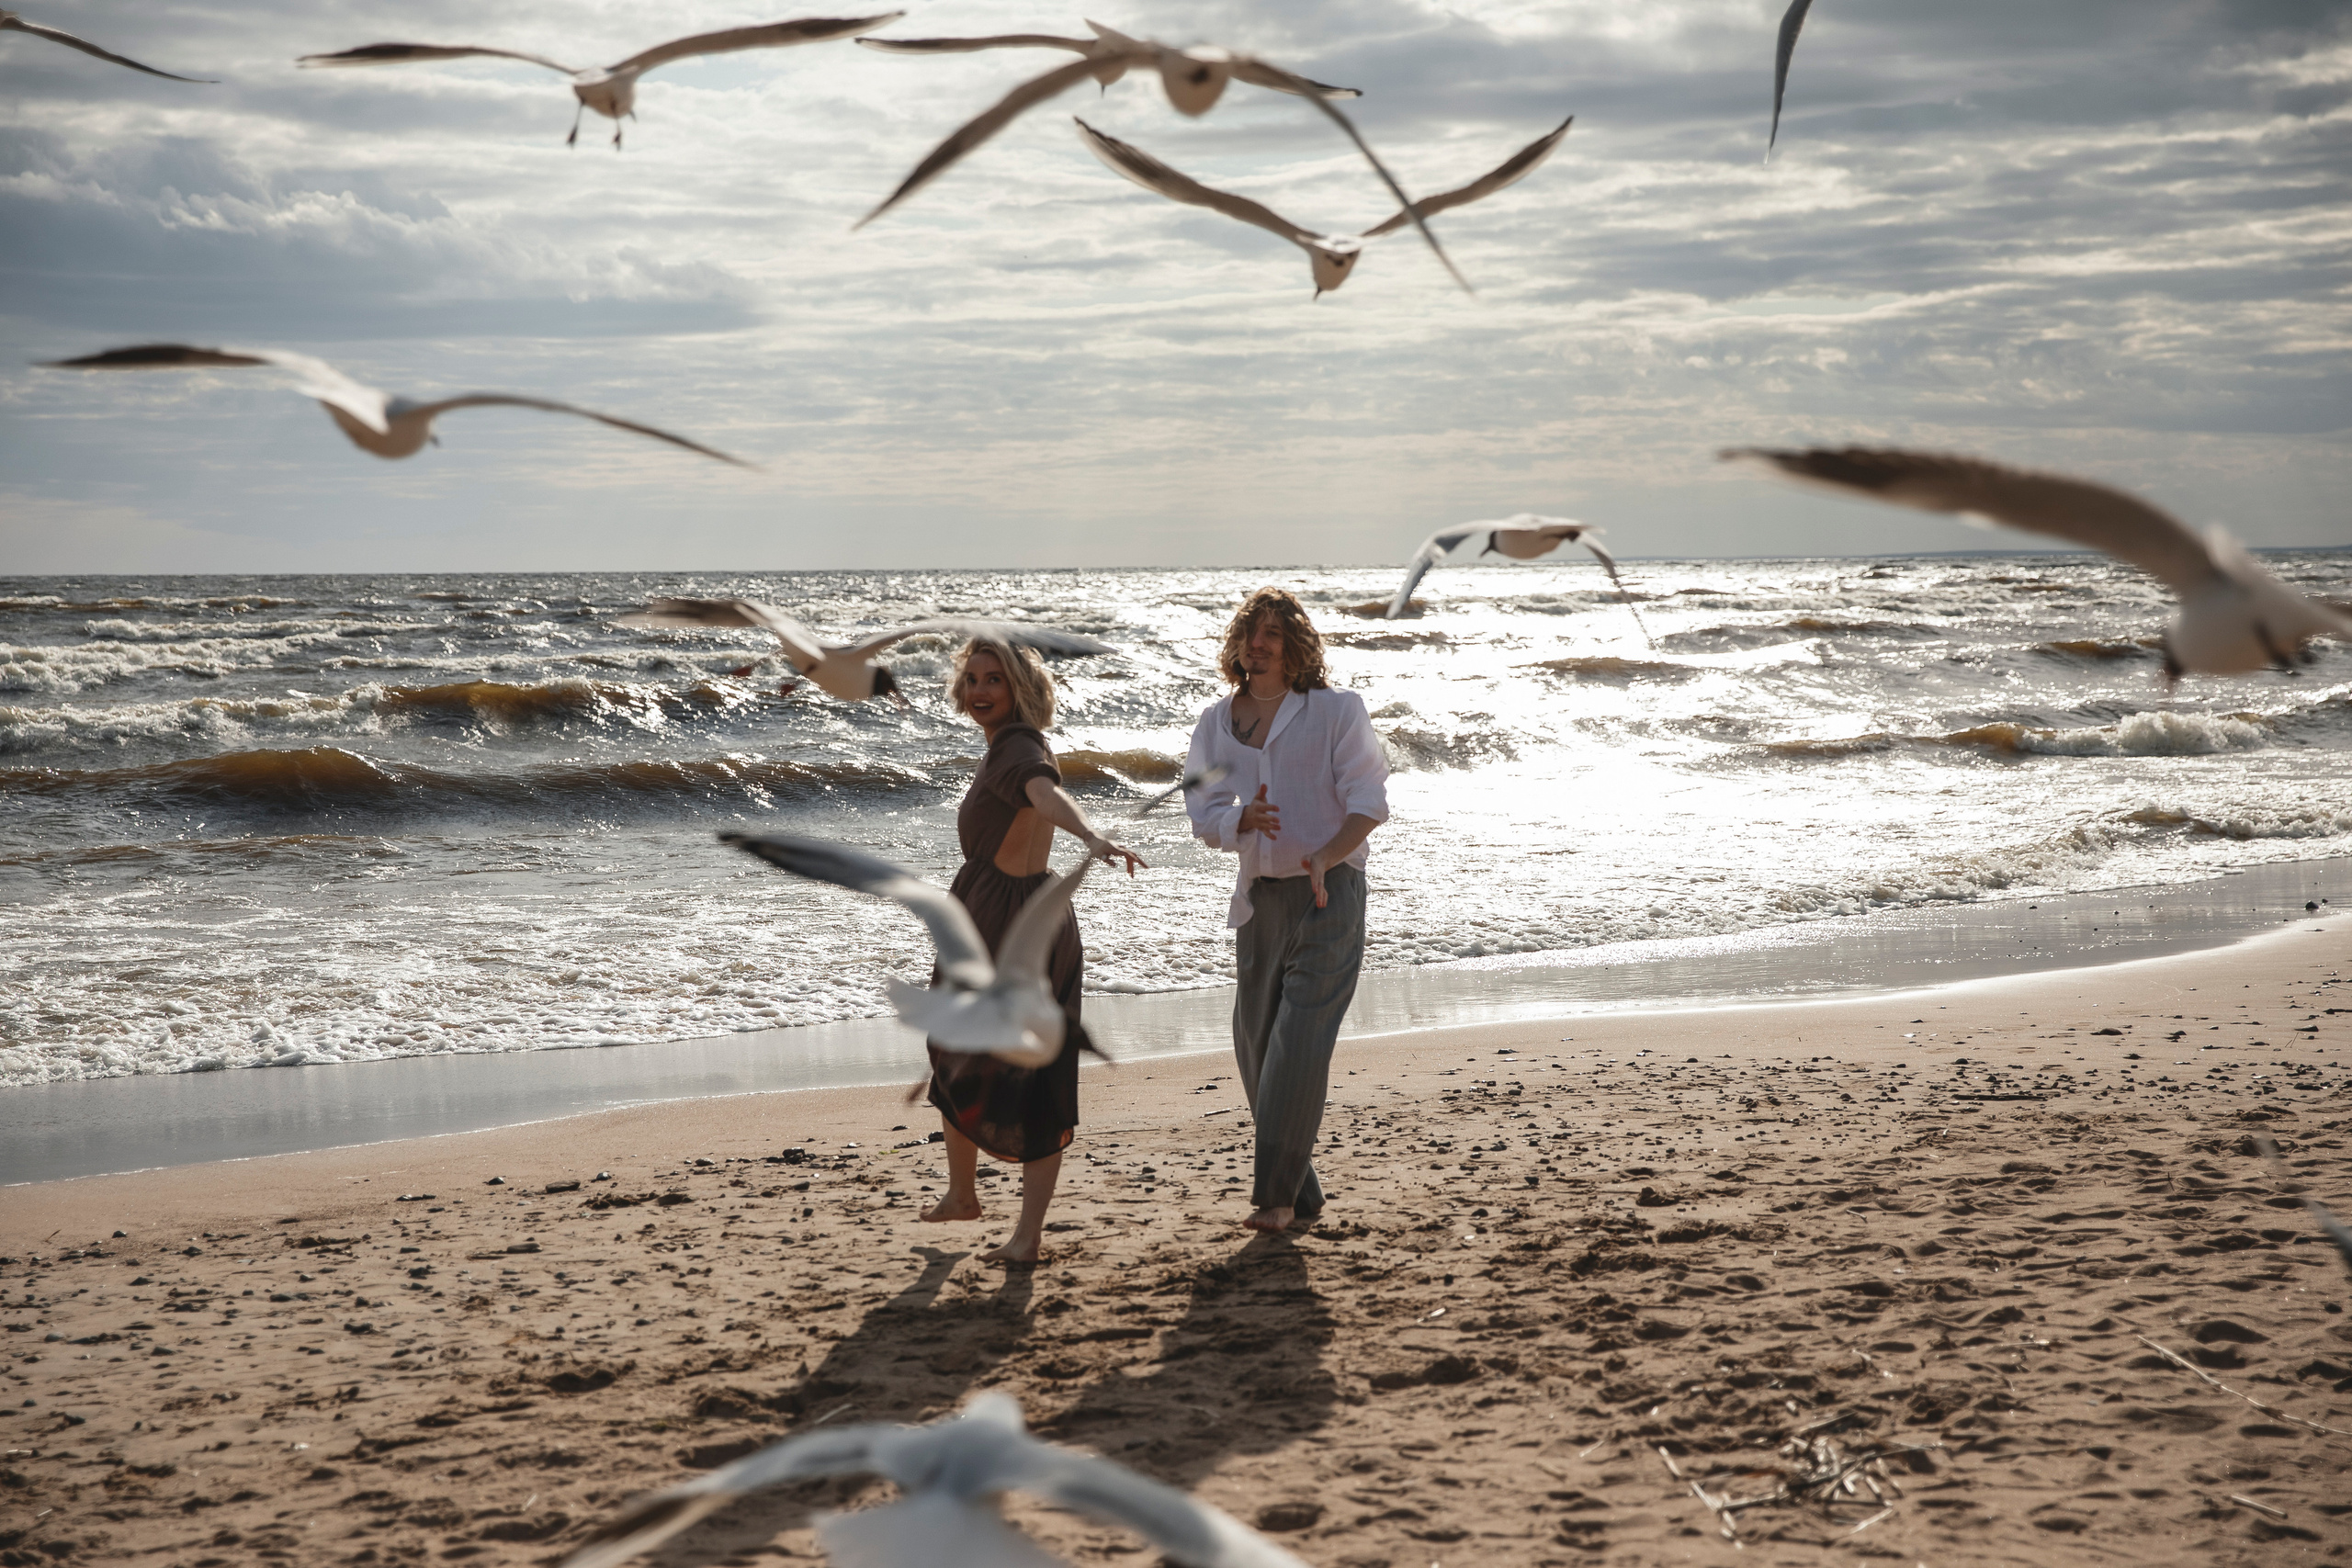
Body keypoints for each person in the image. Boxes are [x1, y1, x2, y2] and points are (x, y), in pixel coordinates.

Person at [921, 635, 1145, 1262]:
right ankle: (963, 1194)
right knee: (955, 1051)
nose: (981, 690)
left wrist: (1092, 835)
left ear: (1021, 690)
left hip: (1012, 928)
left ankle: (1024, 1236)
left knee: (1029, 1075)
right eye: (973, 678)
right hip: (996, 920)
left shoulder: (1018, 747)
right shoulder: (1004, 748)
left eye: (995, 679)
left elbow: (1045, 793)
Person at [1184, 588, 1388, 1232]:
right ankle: (1302, 1193)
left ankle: (1272, 1199)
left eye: (1274, 632)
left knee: (1297, 1044)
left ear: (1296, 645)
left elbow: (1369, 801)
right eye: (1251, 630)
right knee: (1255, 1050)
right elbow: (1202, 810)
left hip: (1329, 895)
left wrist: (1328, 854)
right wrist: (1237, 816)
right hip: (1260, 900)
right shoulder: (1218, 722)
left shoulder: (1336, 711)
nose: (1260, 642)